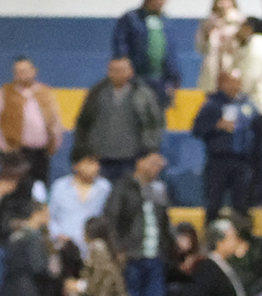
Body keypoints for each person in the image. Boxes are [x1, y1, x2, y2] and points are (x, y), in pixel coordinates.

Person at [104, 149, 172, 296]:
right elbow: (112, 220)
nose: (158, 167)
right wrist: (118, 251)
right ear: (140, 163)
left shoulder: (159, 190)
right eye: (153, 163)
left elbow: (164, 224)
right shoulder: (123, 188)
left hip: (154, 258)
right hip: (132, 257)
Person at [75, 58, 164, 185]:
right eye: (114, 70)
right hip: (101, 159)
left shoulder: (143, 95)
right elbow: (83, 123)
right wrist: (85, 151)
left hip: (132, 159)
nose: (118, 74)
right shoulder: (96, 94)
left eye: (122, 70)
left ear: (131, 72)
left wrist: (149, 151)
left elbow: (153, 125)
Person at [193, 71, 259, 222]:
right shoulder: (212, 105)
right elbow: (197, 129)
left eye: (237, 82)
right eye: (230, 82)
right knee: (214, 203)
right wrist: (216, 126)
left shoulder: (248, 104)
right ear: (222, 84)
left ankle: (243, 238)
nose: (234, 86)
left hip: (243, 161)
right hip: (218, 160)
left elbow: (258, 130)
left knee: (242, 204)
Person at [0, 57, 64, 187]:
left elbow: (55, 119)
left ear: (34, 71)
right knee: (16, 189)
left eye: (25, 70)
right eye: (18, 71)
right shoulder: (6, 93)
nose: (21, 74)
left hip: (41, 152)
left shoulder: (45, 92)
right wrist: (4, 147)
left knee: (39, 188)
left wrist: (55, 142)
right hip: (16, 152)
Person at [112, 0, 181, 109]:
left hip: (160, 84)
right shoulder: (131, 19)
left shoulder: (166, 22)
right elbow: (121, 48)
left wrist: (173, 81)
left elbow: (170, 54)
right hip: (136, 81)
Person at [48, 148, 112, 252]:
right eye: (90, 163)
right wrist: (58, 235)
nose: (95, 167)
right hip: (64, 246)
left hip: (93, 248)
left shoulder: (104, 188)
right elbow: (51, 216)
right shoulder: (60, 187)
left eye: (97, 163)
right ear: (76, 165)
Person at [196, 0, 245, 95]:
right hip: (212, 71)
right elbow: (200, 47)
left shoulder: (238, 21)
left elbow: (241, 49)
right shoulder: (210, 22)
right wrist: (207, 33)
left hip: (231, 68)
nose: (222, 4)